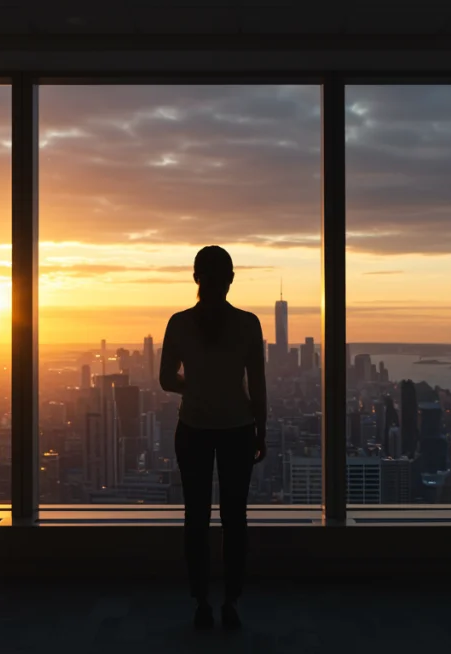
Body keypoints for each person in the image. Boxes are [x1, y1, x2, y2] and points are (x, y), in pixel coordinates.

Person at [159, 245, 267, 631]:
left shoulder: (179, 323)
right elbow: (258, 384)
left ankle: (201, 603)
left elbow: (166, 379)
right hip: (239, 429)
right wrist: (262, 430)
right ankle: (231, 602)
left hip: (193, 429)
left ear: (196, 278)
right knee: (235, 518)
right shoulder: (248, 324)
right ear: (231, 279)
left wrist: (195, 384)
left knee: (196, 517)